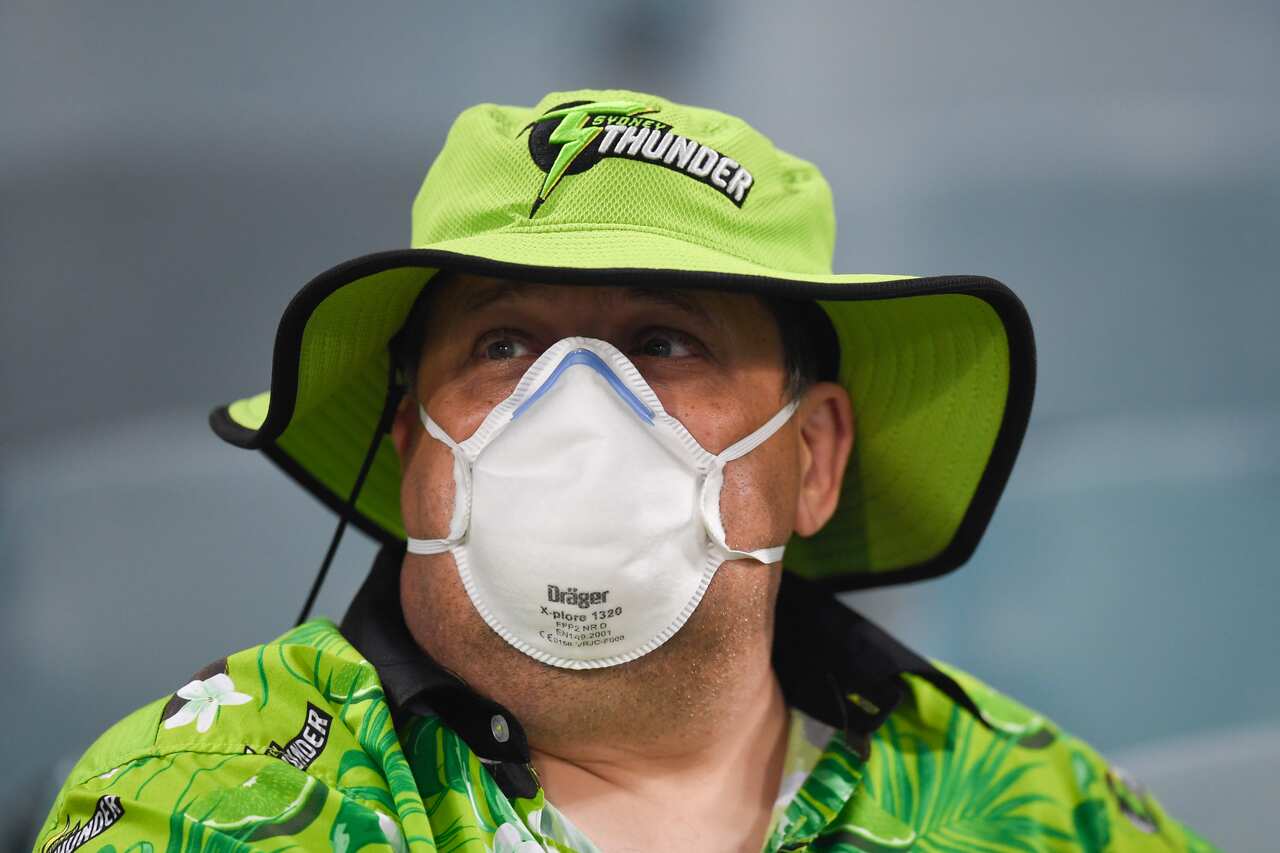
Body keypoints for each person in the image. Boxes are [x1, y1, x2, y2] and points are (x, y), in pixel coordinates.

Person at [37, 90, 1215, 852]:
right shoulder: (215, 799)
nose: (579, 412)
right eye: (505, 346)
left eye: (663, 341)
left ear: (811, 460)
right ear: (406, 450)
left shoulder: (1036, 806)